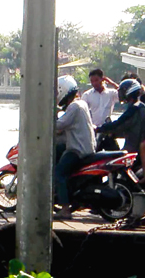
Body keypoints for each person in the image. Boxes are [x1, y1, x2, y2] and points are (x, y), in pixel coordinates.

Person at [54, 75, 96, 219]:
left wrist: (45, 119)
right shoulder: (81, 103)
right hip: (86, 147)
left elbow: (59, 125)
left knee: (59, 173)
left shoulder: (74, 107)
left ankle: (65, 209)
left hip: (77, 150)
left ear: (63, 90)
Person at [96, 79, 145, 153]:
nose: (120, 94)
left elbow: (120, 124)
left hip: (133, 148)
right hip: (134, 143)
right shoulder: (138, 106)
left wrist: (100, 129)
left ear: (128, 92)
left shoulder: (135, 108)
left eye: (121, 91)